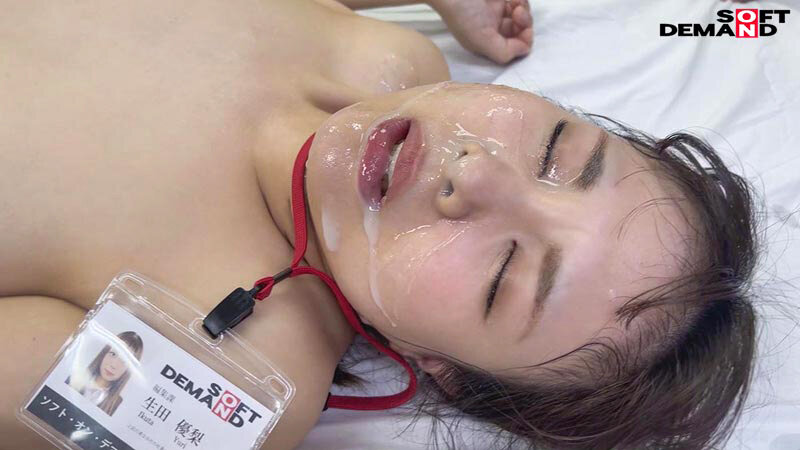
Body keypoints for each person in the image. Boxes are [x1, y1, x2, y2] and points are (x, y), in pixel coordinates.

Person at [0, 0, 757, 449]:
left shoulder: (232, 375)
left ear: (436, 364)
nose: (477, 173)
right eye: (558, 151)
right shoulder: (388, 57)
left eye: (503, 276)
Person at [66, 331, 144, 416]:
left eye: (124, 361)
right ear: (104, 352)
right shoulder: (75, 377)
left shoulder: (117, 405)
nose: (113, 365)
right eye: (113, 354)